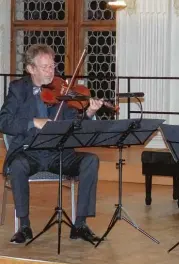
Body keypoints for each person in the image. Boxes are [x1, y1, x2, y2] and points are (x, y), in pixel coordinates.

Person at [0, 44, 104, 244]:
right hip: (28, 152)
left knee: (90, 161)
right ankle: (24, 226)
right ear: (31, 69)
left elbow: (75, 121)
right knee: (17, 165)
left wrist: (89, 113)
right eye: (45, 67)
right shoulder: (18, 89)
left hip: (58, 153)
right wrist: (33, 122)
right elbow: (4, 121)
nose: (51, 71)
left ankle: (80, 224)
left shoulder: (62, 91)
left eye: (52, 66)